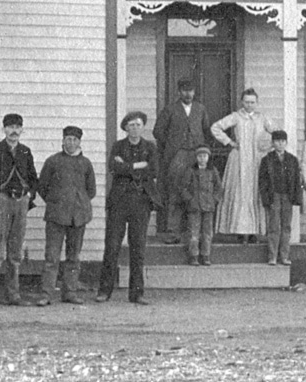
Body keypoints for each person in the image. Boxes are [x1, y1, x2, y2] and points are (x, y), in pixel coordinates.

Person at [96, 111, 158, 305]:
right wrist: (139, 165)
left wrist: (128, 166)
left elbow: (153, 170)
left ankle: (137, 293)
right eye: (131, 125)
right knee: (112, 246)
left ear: (143, 127)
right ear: (125, 128)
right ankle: (105, 290)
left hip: (141, 201)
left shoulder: (150, 147)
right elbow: (114, 168)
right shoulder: (118, 146)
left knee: (138, 248)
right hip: (119, 202)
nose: (135, 128)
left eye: (138, 125)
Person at [0, 113, 38, 308]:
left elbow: (33, 177)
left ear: (22, 130)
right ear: (3, 129)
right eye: (10, 127)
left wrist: (30, 194)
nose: (14, 131)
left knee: (15, 252)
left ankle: (13, 294)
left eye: (17, 127)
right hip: (1, 202)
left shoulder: (25, 152)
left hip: (21, 201)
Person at [36, 126, 96, 306]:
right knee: (52, 257)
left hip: (78, 217)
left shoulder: (85, 163)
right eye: (68, 139)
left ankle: (70, 292)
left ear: (79, 142)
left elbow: (91, 190)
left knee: (73, 257)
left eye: (74, 139)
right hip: (56, 216)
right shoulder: (53, 161)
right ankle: (46, 294)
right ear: (63, 141)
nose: (71, 142)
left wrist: (79, 204)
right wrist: (57, 202)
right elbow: (42, 187)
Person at [211, 88, 276, 244]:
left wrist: (268, 146)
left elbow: (278, 133)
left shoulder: (263, 118)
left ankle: (254, 232)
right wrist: (230, 142)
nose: (249, 105)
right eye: (246, 102)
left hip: (257, 160)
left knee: (255, 192)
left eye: (252, 102)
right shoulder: (236, 117)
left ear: (257, 102)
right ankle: (240, 231)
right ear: (242, 102)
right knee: (240, 192)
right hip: (239, 159)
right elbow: (215, 127)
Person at [153, 78, 212, 245]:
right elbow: (158, 131)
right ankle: (173, 231)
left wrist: (201, 148)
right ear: (179, 92)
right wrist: (173, 147)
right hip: (177, 156)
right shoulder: (170, 109)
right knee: (175, 191)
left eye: (191, 90)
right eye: (185, 90)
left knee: (196, 191)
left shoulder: (200, 109)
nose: (188, 94)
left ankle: (194, 233)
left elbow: (206, 131)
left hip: (196, 154)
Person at [259, 130, 302, 266]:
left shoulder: (292, 160)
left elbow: (296, 180)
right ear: (272, 143)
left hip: (287, 196)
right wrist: (266, 199)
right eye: (277, 141)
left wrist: (296, 197)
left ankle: (284, 256)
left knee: (286, 226)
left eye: (283, 141)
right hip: (274, 196)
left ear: (286, 143)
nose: (280, 144)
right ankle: (272, 256)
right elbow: (263, 182)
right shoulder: (267, 160)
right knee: (273, 226)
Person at [181, 144, 223, 266]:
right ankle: (194, 256)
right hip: (194, 206)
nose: (202, 158)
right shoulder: (191, 171)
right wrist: (190, 199)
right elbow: (183, 188)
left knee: (207, 232)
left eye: (204, 156)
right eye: (200, 156)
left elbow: (219, 188)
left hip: (209, 206)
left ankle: (206, 255)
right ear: (196, 157)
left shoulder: (213, 171)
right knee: (194, 233)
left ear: (208, 157)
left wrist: (214, 199)